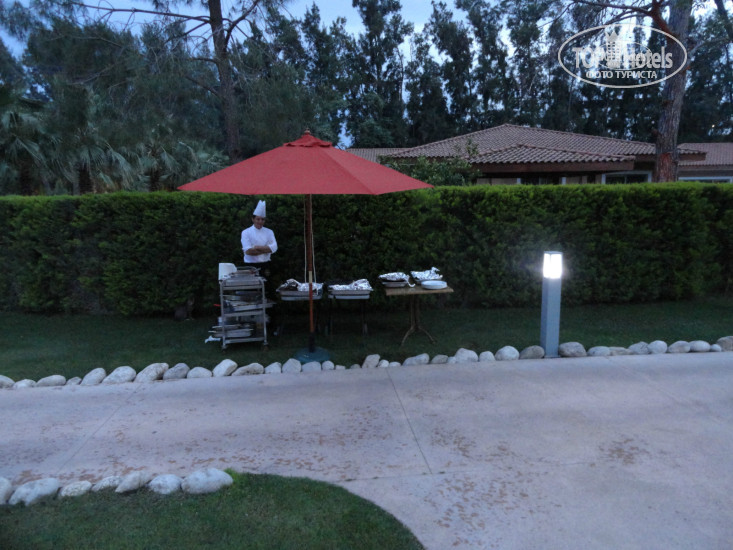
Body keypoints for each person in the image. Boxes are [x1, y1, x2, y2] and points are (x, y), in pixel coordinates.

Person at [241, 200, 277, 275]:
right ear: (253, 219)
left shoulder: (269, 232)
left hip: (266, 265)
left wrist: (256, 247)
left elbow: (274, 247)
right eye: (258, 219)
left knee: (267, 282)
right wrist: (266, 250)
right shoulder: (245, 232)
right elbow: (248, 251)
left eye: (262, 219)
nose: (260, 221)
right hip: (250, 266)